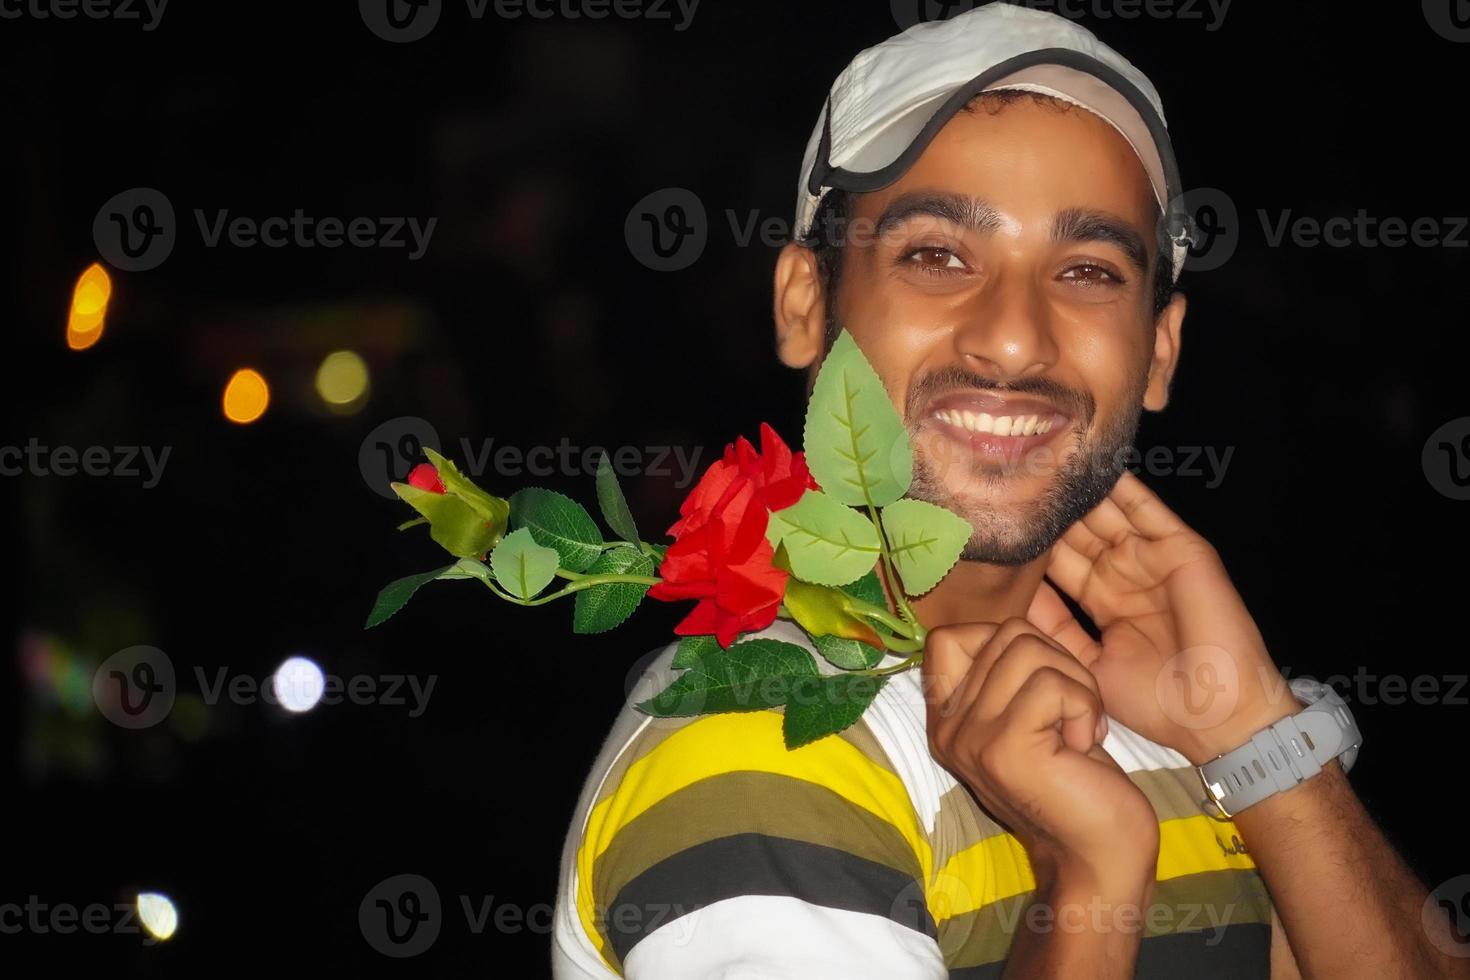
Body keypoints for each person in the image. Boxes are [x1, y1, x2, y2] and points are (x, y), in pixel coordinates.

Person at [552, 5, 1467, 977]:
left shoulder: (1169, 729)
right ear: (805, 306)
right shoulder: (757, 743)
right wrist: (1086, 881)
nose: (1016, 337)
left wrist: (1254, 732)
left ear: (1159, 351)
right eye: (938, 254)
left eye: (1087, 269)